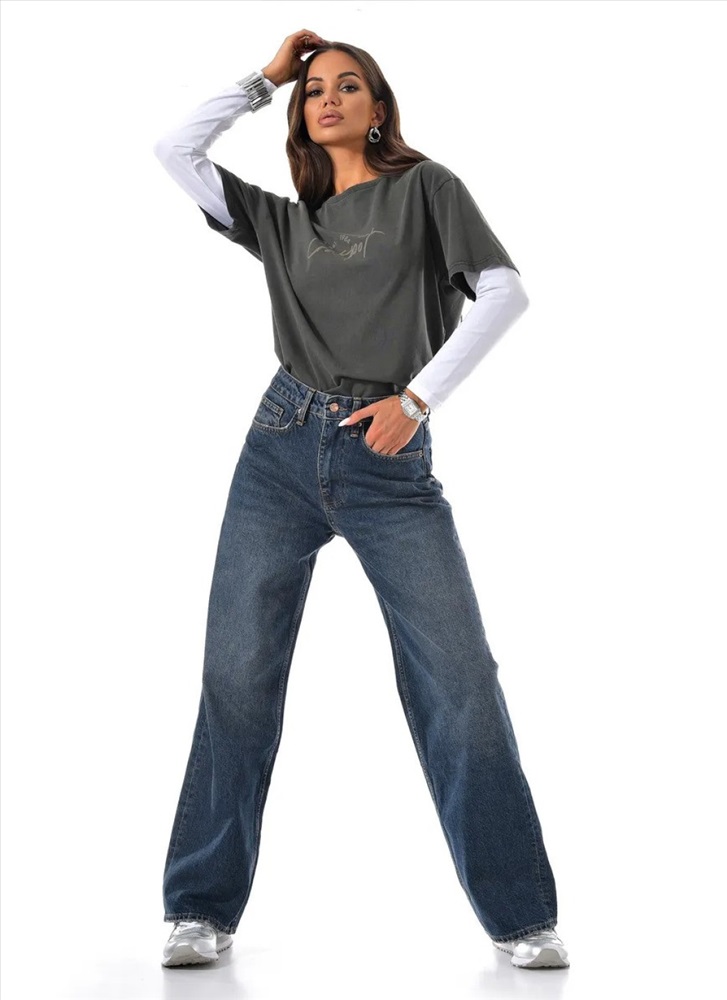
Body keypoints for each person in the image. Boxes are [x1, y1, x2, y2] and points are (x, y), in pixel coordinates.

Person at [153, 30, 570, 972]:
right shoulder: (279, 221)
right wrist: (263, 79)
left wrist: (416, 400)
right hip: (278, 445)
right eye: (313, 92)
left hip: (389, 461)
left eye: (348, 87)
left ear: (378, 110)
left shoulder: (427, 190)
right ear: (299, 116)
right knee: (237, 676)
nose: (327, 98)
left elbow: (504, 292)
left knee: (458, 680)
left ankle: (521, 917)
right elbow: (173, 148)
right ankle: (199, 909)